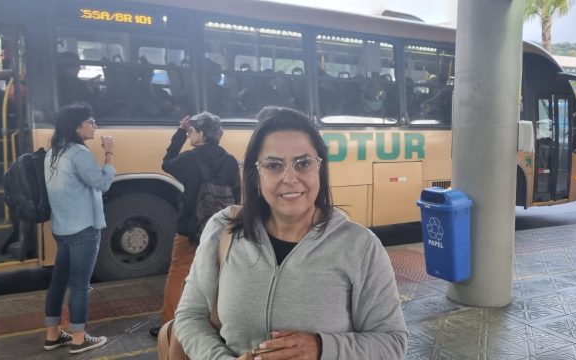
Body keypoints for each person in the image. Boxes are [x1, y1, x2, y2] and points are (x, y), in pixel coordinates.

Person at [174, 107, 407, 359]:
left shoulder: (360, 246)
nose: (290, 178)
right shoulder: (224, 229)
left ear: (320, 168)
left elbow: (392, 343)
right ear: (255, 177)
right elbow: (190, 315)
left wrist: (322, 349)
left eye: (303, 163)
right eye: (273, 165)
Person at [150, 112, 241, 338]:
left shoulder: (189, 159)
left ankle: (169, 324)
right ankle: (216, 322)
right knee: (218, 273)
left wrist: (179, 133)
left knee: (178, 272)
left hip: (191, 227)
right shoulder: (229, 160)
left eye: (191, 131)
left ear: (201, 134)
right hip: (221, 228)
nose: (190, 134)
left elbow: (167, 163)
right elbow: (238, 195)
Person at [43, 103, 115, 354]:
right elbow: (102, 183)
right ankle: (78, 338)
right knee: (80, 285)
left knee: (59, 282)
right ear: (77, 127)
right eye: (91, 122)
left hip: (61, 228)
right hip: (84, 228)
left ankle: (52, 334)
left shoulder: (53, 152)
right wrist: (108, 154)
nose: (95, 126)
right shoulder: (79, 153)